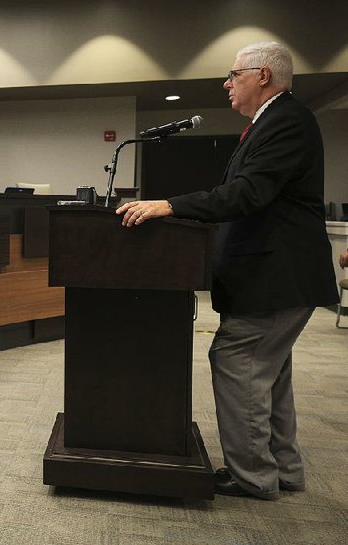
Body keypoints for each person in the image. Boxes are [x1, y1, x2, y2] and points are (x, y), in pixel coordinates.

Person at [116, 42, 338, 500]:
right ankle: (285, 470)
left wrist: (168, 204)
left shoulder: (286, 121)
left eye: (233, 74)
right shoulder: (274, 121)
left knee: (238, 360)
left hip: (276, 275)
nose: (226, 83)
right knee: (270, 371)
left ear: (262, 76)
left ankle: (254, 476)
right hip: (278, 277)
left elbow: (245, 195)